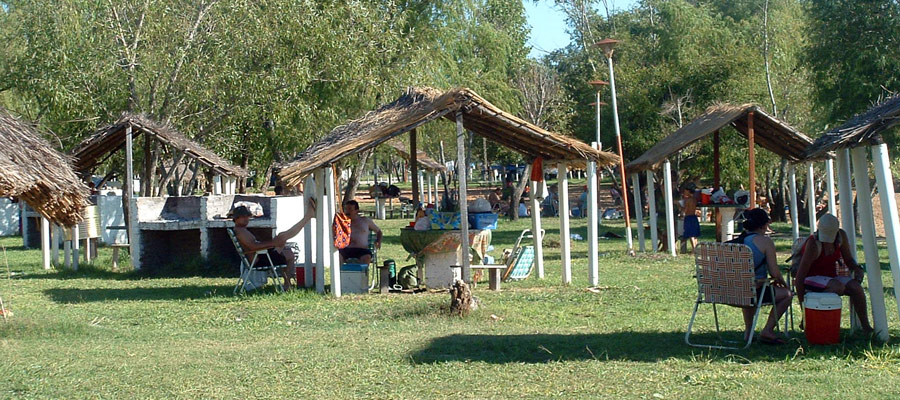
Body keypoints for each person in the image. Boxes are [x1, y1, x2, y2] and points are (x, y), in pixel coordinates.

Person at [794, 213, 873, 333]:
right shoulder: (813, 245)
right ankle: (817, 321)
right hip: (811, 278)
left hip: (830, 277)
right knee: (837, 287)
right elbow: (800, 277)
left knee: (856, 288)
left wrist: (857, 269)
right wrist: (803, 310)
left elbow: (849, 260)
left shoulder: (841, 237)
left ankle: (865, 326)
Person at [734, 208, 793, 345]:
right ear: (764, 225)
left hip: (729, 292)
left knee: (749, 287)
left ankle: (748, 331)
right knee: (787, 295)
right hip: (753, 291)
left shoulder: (734, 243)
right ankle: (767, 330)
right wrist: (784, 285)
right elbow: (775, 273)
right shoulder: (765, 242)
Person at [232, 200, 315, 291]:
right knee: (286, 247)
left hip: (260, 256)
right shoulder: (240, 231)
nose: (246, 219)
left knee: (283, 238)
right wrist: (273, 243)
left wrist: (273, 243)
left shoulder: (241, 230)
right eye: (243, 217)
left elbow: (252, 246)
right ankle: (308, 217)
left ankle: (308, 217)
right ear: (236, 218)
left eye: (247, 216)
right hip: (259, 260)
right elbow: (253, 246)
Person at [340, 199, 382, 264]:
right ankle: (341, 273)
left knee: (367, 257)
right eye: (346, 209)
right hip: (346, 249)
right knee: (337, 257)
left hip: (362, 250)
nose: (347, 212)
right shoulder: (342, 223)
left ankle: (363, 274)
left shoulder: (365, 221)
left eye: (350, 209)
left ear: (357, 211)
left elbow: (379, 231)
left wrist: (378, 241)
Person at [679, 187, 700, 253]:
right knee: (695, 235)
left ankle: (694, 250)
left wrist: (680, 206)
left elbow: (685, 210)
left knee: (691, 234)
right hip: (694, 217)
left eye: (686, 191)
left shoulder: (688, 200)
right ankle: (696, 248)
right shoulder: (694, 199)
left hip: (688, 217)